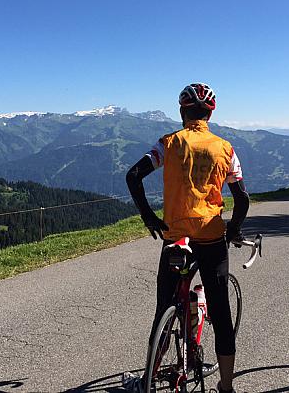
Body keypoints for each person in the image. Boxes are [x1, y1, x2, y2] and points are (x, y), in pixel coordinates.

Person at [124, 83, 250, 393]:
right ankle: (226, 386)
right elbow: (242, 198)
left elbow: (133, 175)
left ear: (182, 111)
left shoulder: (168, 144)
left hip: (175, 236)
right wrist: (234, 228)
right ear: (210, 112)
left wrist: (149, 217)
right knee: (221, 313)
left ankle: (148, 379)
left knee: (164, 306)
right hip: (210, 237)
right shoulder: (226, 149)